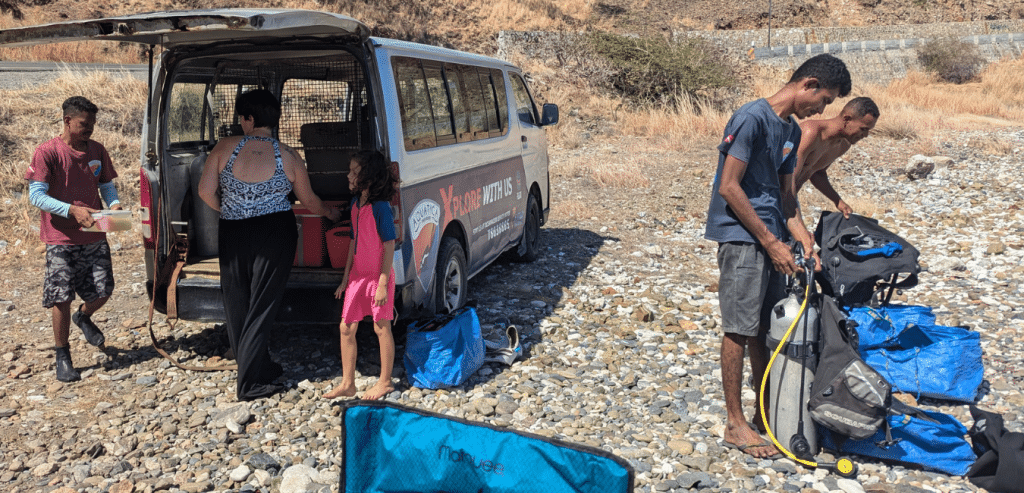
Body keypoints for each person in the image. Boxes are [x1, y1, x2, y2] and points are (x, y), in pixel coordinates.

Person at [704, 53, 851, 459]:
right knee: (739, 328)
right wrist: (770, 242)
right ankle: (735, 423)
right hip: (743, 237)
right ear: (809, 84)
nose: (821, 111)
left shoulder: (790, 130)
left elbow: (787, 197)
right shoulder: (752, 118)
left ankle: (764, 410)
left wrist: (804, 241)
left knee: (768, 328)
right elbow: (729, 186)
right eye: (824, 100)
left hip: (773, 239)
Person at [198, 89, 341, 401]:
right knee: (262, 304)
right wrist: (332, 214)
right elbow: (309, 201)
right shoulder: (288, 155)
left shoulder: (224, 147)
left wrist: (229, 209)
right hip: (275, 232)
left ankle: (258, 367)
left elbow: (205, 191)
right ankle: (249, 383)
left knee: (237, 302)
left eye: (241, 117)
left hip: (233, 231)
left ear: (249, 119)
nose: (240, 122)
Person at [25, 96, 122, 383]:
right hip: (61, 238)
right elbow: (36, 196)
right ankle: (63, 355)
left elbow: (106, 184)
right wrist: (72, 210)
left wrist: (114, 205)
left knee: (104, 289)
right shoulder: (47, 152)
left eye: (93, 123)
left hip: (94, 232)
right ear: (67, 121)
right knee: (61, 298)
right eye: (84, 123)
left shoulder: (97, 150)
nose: (90, 128)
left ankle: (83, 316)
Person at [324, 150, 398, 401]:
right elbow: (353, 243)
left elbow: (389, 245)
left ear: (369, 177)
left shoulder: (381, 207)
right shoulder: (356, 204)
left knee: (381, 327)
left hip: (378, 277)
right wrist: (345, 279)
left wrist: (383, 284)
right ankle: (348, 384)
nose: (348, 175)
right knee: (346, 328)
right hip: (358, 277)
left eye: (354, 172)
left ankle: (385, 382)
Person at [793, 97, 879, 219]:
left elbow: (817, 173)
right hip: (770, 198)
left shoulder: (843, 144)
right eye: (863, 129)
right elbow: (787, 180)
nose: (865, 135)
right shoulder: (811, 133)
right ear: (847, 119)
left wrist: (838, 201)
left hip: (788, 199)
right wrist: (795, 221)